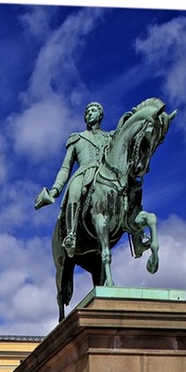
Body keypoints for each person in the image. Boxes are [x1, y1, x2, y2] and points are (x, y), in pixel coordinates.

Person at [34, 101, 114, 257]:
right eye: (87, 112)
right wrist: (55, 190)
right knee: (75, 191)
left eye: (93, 111)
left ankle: (137, 236)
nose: (89, 113)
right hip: (84, 174)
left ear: (100, 115)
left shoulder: (109, 138)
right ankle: (71, 234)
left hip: (106, 175)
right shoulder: (78, 139)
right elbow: (65, 168)